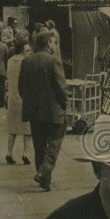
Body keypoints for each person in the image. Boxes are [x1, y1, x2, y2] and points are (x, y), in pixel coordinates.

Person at [18, 29, 67, 191]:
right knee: (54, 143)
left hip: (34, 111)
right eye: (54, 42)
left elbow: (21, 88)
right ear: (47, 43)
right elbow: (61, 87)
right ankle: (44, 171)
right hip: (53, 110)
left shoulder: (26, 61)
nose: (55, 45)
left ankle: (44, 179)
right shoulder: (53, 61)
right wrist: (64, 104)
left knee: (39, 146)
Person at [5, 37, 33, 165]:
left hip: (12, 100)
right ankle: (26, 153)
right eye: (27, 50)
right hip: (24, 99)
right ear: (22, 50)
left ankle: (9, 153)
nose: (29, 52)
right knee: (27, 130)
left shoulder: (10, 61)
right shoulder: (26, 62)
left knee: (13, 129)